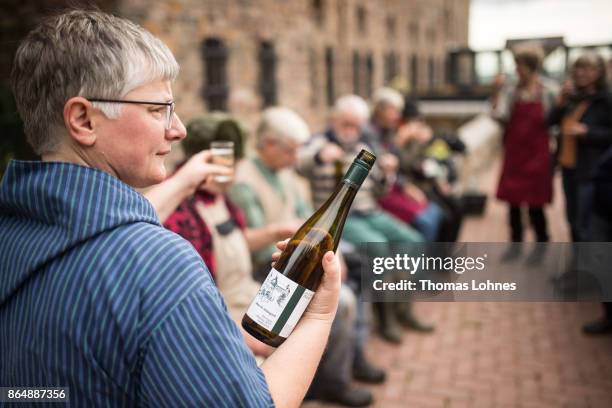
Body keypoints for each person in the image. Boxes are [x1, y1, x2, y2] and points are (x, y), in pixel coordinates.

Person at [0, 10, 341, 407]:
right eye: (157, 108)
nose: (177, 128)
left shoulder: (14, 233)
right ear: (83, 119)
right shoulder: (159, 264)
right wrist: (319, 316)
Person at [230, 107, 378, 407]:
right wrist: (281, 232)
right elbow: (256, 248)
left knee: (359, 268)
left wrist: (333, 259)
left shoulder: (287, 173)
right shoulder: (244, 182)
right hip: (272, 267)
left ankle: (350, 359)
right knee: (344, 301)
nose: (297, 157)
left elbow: (310, 217)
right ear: (269, 145)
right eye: (291, 150)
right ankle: (332, 382)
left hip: (304, 260)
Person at [297, 94, 429, 344]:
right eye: (345, 124)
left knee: (413, 241)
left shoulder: (365, 146)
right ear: (333, 120)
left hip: (371, 213)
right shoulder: (319, 142)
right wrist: (319, 156)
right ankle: (386, 318)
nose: (350, 131)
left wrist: (387, 175)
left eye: (356, 126)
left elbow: (378, 191)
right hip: (342, 220)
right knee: (378, 248)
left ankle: (404, 309)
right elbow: (299, 162)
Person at [491, 47, 558, 251]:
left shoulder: (548, 91)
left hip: (538, 153)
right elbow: (500, 118)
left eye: (520, 65)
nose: (517, 70)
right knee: (513, 201)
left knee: (536, 202)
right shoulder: (511, 92)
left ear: (531, 67)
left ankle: (542, 242)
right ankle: (516, 244)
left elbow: (555, 122)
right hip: (515, 152)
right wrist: (495, 94)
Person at [549, 52, 612, 244]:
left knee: (587, 224)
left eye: (587, 69)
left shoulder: (606, 100)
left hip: (591, 170)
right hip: (569, 166)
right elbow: (549, 122)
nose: (581, 73)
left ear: (598, 72)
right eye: (578, 68)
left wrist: (588, 132)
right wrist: (560, 103)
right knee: (572, 220)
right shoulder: (572, 98)